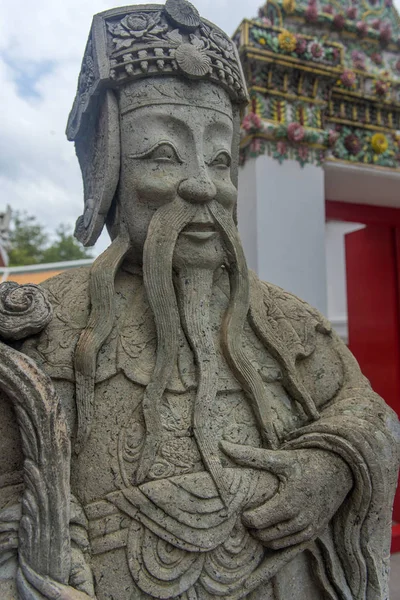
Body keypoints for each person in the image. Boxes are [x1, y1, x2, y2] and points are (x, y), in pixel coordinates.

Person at [0, 1, 398, 598]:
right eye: (162, 155)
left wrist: (334, 466)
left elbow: (369, 413)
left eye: (219, 159)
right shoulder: (44, 331)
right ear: (105, 172)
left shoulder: (288, 320)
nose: (202, 184)